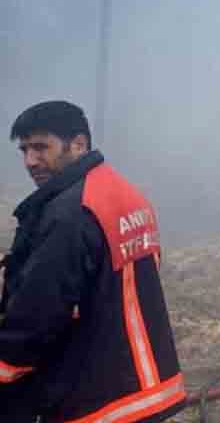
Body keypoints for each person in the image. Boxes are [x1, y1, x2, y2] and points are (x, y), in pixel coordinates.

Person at [0, 101, 184, 423]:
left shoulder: (69, 215)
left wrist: (5, 366)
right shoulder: (124, 192)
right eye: (24, 150)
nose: (31, 161)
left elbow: (38, 312)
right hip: (148, 383)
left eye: (42, 148)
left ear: (79, 144)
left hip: (99, 399)